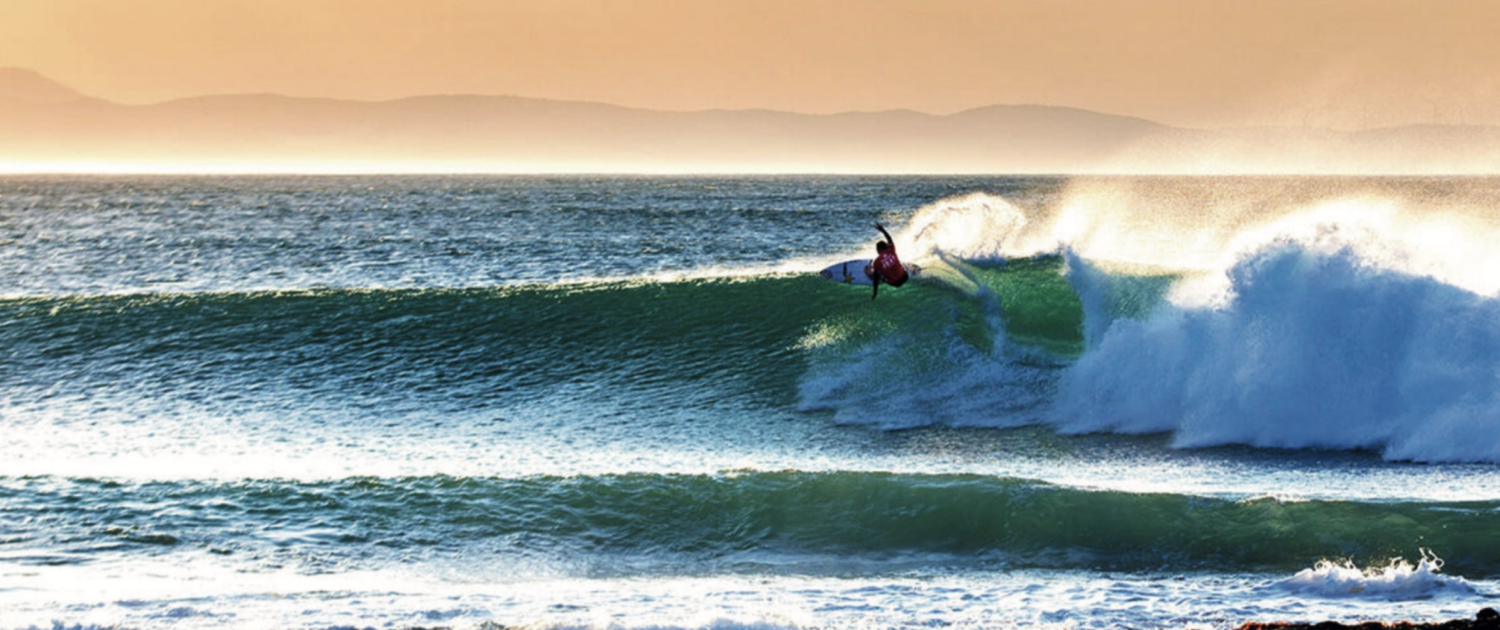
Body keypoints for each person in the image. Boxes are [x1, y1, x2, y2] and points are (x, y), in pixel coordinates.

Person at [865, 223, 909, 300]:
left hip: (896, 283)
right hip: (905, 277)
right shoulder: (891, 249)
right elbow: (889, 238)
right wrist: (882, 230)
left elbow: (875, 280)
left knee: (876, 274)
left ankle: (868, 273)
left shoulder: (877, 262)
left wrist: (875, 293)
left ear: (879, 249)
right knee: (897, 264)